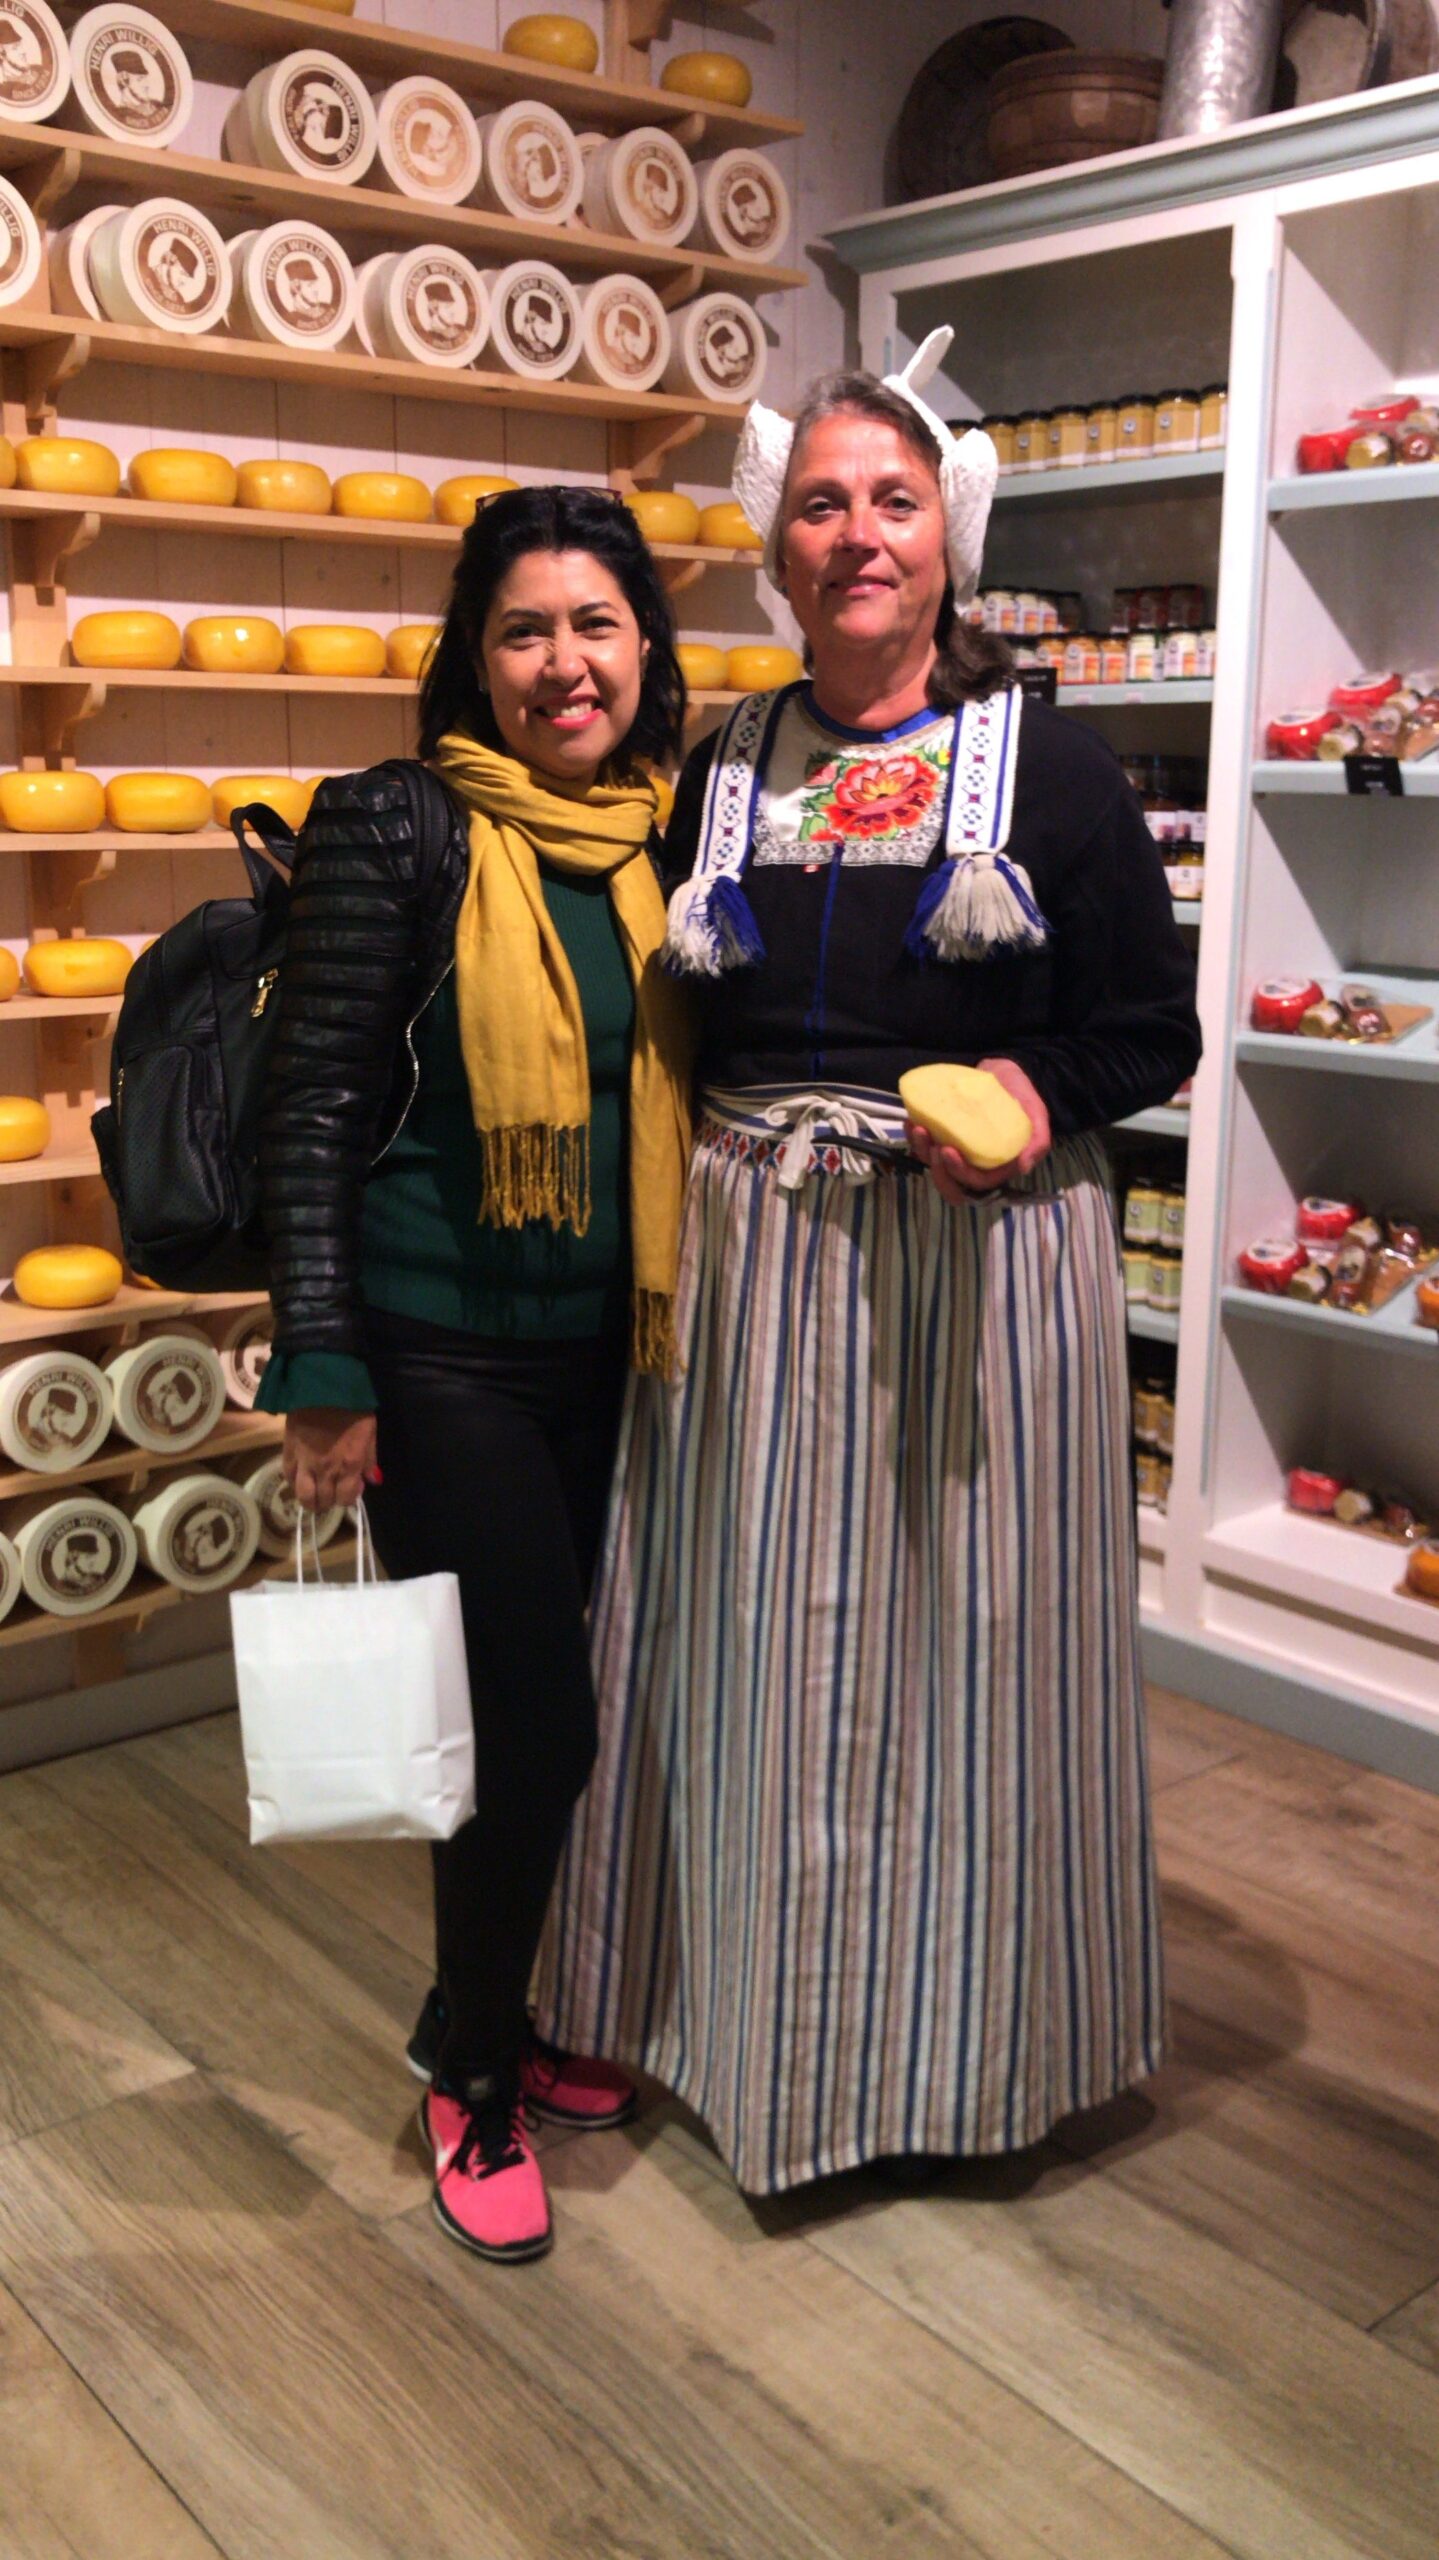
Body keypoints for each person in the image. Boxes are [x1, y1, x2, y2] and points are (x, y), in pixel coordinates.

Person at [535, 334, 1203, 2196]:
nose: (858, 536)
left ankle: (966, 2054)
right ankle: (736, 2022)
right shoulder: (722, 770)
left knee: (968, 1657)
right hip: (758, 1266)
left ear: (949, 536)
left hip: (976, 1266)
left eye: (893, 502)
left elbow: (1151, 1028)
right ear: (777, 546)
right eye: (821, 504)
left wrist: (1025, 1087)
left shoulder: (1054, 772)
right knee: (753, 1649)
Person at [255, 485, 692, 2262]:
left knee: (536, 1713)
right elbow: (311, 1103)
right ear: (475, 657)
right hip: (438, 1354)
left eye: (596, 623)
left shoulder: (663, 835)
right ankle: (473, 2070)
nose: (563, 662)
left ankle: (492, 2011)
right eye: (525, 629)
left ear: (645, 647)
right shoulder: (400, 822)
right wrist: (322, 1361)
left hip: (607, 1353)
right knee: (534, 1723)